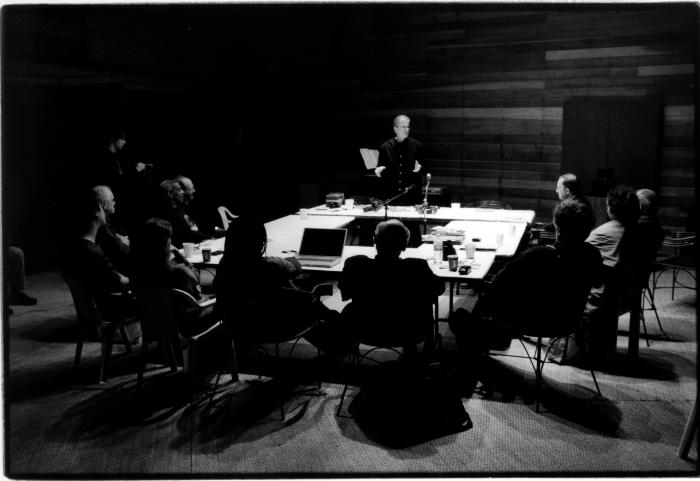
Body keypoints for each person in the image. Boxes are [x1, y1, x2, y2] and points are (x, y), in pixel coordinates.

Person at [448, 199, 602, 361]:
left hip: (530, 320)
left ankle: (480, 350)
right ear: (587, 229)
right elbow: (597, 282)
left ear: (556, 225)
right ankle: (482, 341)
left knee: (469, 311)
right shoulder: (593, 255)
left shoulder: (539, 255)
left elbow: (498, 282)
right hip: (569, 321)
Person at [214, 215, 351, 355]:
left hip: (238, 326)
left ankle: (338, 339)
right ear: (260, 241)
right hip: (278, 325)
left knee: (299, 297)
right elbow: (296, 266)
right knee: (310, 302)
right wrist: (283, 259)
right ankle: (340, 340)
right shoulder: (270, 267)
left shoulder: (224, 265)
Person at [339, 219, 445, 351]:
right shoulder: (416, 267)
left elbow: (345, 290)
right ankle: (419, 352)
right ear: (404, 246)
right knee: (425, 301)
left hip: (365, 329)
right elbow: (439, 288)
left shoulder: (355, 265)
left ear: (375, 242)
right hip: (410, 331)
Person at [130, 218, 216, 336]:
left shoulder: (137, 272)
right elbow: (197, 288)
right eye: (169, 238)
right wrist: (179, 256)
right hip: (189, 324)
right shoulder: (178, 272)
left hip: (156, 324)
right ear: (165, 243)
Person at [62, 194, 133, 322]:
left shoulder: (76, 247)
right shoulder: (93, 252)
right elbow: (121, 281)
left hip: (94, 311)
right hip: (110, 312)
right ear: (95, 212)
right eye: (101, 208)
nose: (104, 212)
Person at [375, 114, 429, 205]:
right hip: (392, 196)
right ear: (395, 129)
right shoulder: (386, 147)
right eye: (403, 127)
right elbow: (380, 168)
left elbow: (427, 169)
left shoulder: (417, 146)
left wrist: (420, 168)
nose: (406, 129)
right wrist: (378, 170)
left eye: (408, 127)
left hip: (412, 197)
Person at [159, 178, 213, 247]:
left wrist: (214, 231)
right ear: (170, 194)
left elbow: (195, 225)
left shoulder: (180, 208)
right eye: (179, 190)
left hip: (198, 245)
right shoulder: (169, 214)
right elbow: (186, 234)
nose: (183, 192)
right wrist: (208, 237)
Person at [93, 185, 130, 274]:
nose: (115, 203)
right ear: (104, 204)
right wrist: (123, 243)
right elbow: (121, 250)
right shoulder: (102, 227)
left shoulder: (105, 224)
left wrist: (119, 238)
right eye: (112, 200)